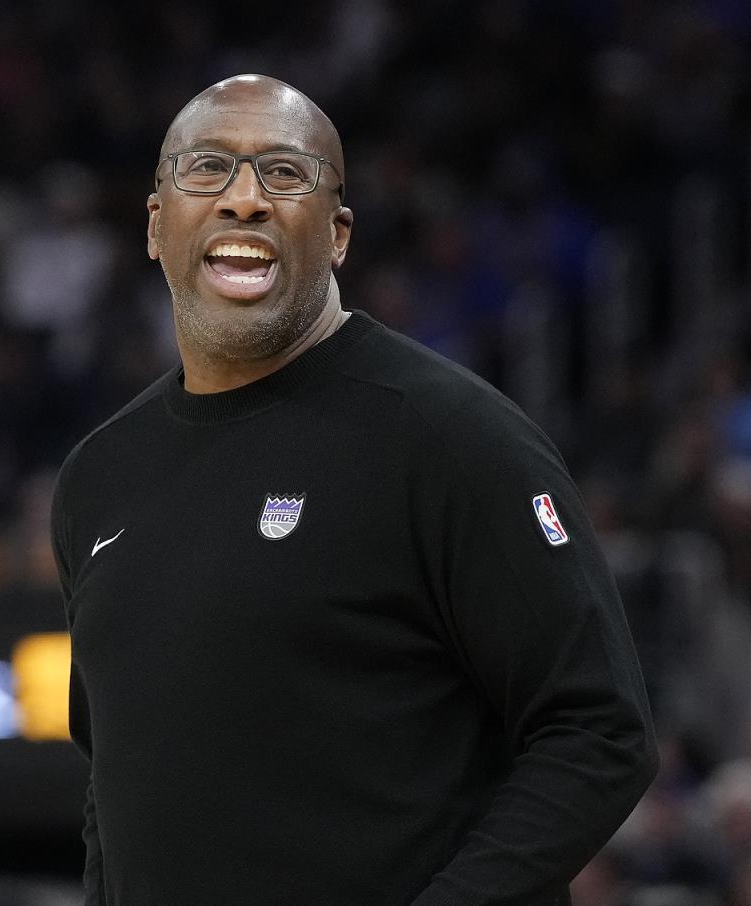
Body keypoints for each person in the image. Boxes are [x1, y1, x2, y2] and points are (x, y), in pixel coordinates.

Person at [50, 74, 658, 906]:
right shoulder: (98, 475)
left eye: (284, 173)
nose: (244, 200)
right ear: (157, 225)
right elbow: (109, 785)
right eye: (208, 168)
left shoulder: (450, 435)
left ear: (337, 235)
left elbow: (599, 729)